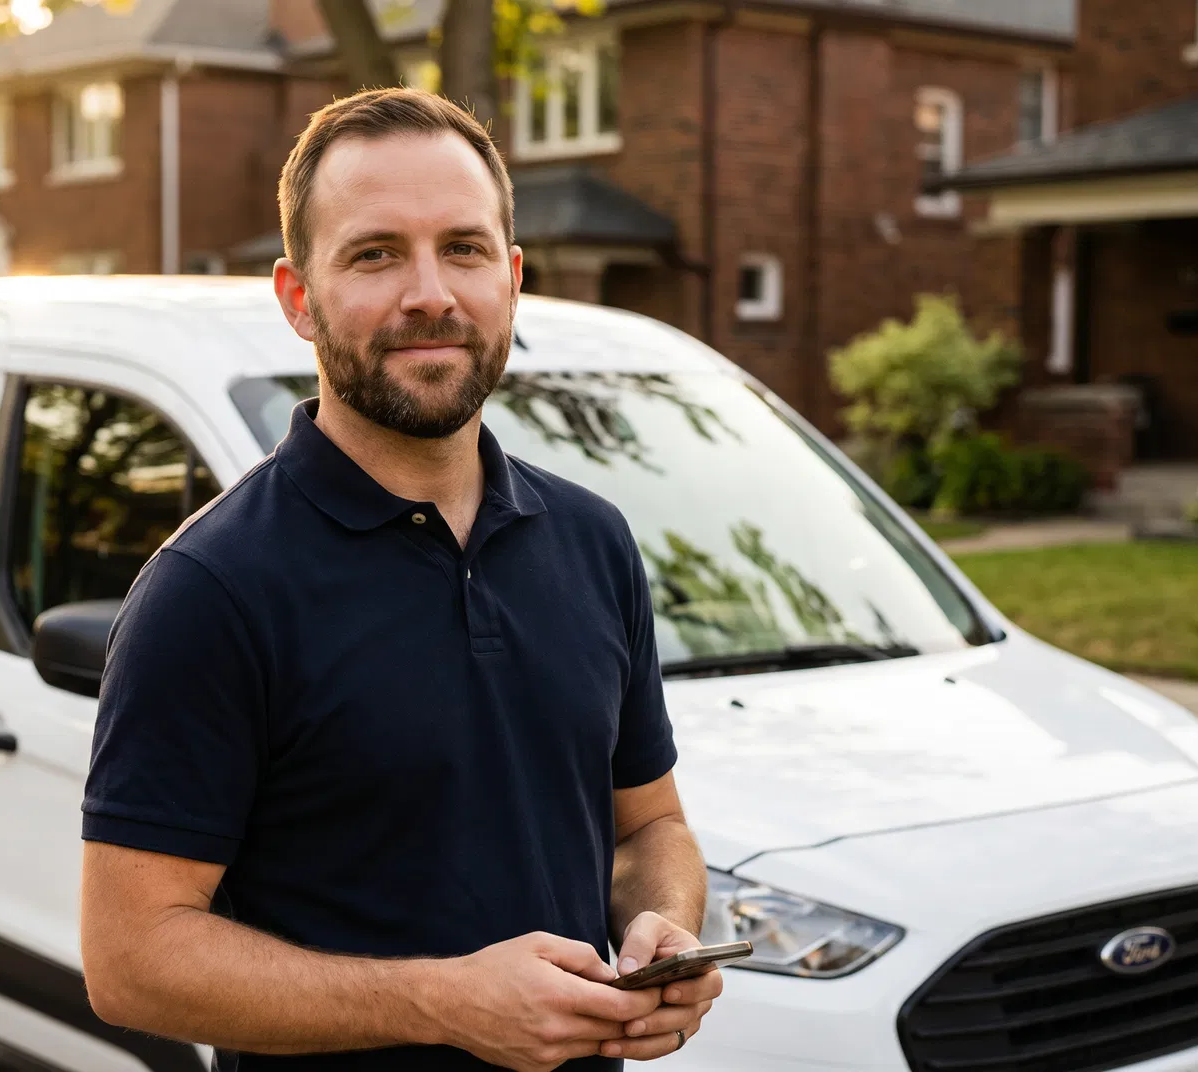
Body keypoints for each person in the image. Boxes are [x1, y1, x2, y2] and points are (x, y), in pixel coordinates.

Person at [79, 87, 718, 1071]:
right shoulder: (212, 588)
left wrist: (663, 932)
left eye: (462, 248)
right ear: (299, 298)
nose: (431, 293)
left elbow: (651, 826)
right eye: (376, 253)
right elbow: (132, 957)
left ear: (509, 278)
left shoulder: (592, 541)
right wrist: (441, 1001)